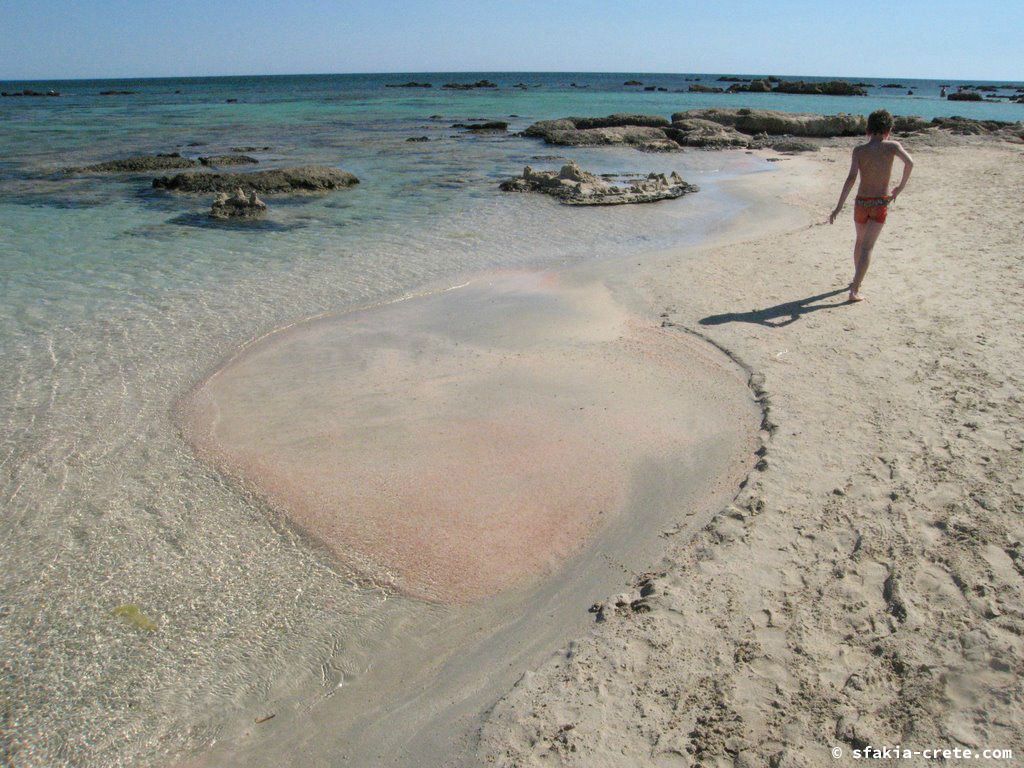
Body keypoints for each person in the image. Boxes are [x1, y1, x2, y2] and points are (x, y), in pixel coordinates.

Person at [829, 109, 914, 302]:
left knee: (860, 243)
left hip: (861, 203)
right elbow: (910, 163)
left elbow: (851, 178)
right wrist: (899, 188)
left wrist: (839, 206)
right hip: (879, 203)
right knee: (867, 247)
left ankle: (855, 280)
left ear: (868, 128)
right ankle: (855, 290)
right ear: (888, 129)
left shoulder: (859, 151)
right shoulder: (892, 146)